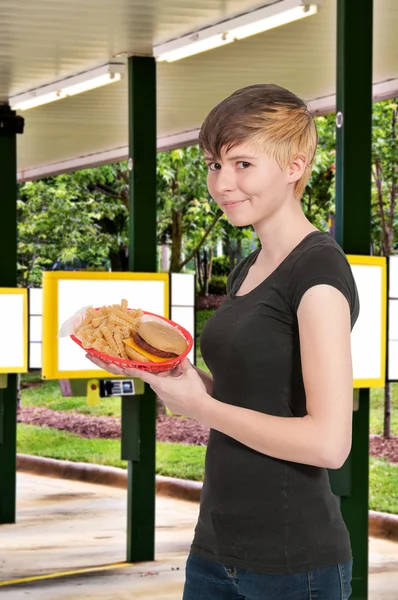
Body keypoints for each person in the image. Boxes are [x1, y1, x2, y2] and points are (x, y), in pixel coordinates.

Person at [87, 84, 359, 600]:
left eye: (242, 164)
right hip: (215, 549)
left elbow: (329, 443)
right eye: (214, 164)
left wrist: (201, 408)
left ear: (294, 167)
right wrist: (178, 377)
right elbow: (253, 393)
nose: (222, 183)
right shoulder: (248, 267)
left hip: (290, 564)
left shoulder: (318, 271)